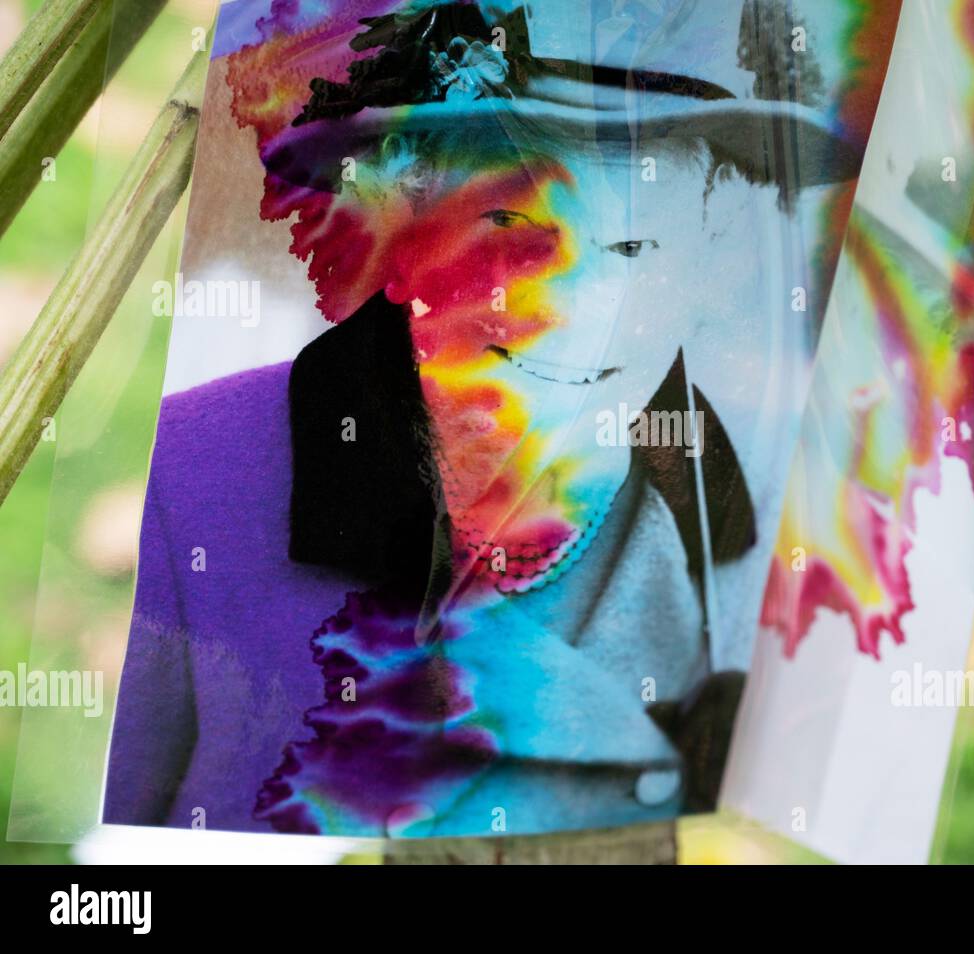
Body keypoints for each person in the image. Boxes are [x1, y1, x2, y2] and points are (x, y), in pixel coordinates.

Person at [104, 0, 869, 838]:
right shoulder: (197, 474)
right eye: (509, 225)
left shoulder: (787, 518)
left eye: (636, 248)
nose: (573, 309)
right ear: (401, 220)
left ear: (712, 256)